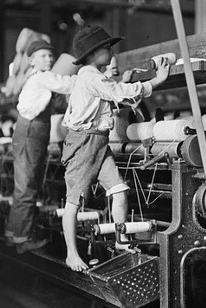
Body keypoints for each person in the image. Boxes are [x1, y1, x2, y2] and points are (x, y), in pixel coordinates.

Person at [61, 25, 170, 272]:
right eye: (106, 49)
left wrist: (126, 84)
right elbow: (119, 92)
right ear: (91, 54)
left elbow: (116, 93)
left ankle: (121, 241)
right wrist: (156, 81)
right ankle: (71, 254)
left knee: (119, 190)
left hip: (99, 141)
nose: (111, 53)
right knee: (74, 201)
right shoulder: (90, 76)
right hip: (84, 143)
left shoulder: (93, 76)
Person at [5, 40, 77, 254]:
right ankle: (23, 239)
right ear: (31, 60)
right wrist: (90, 76)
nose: (49, 59)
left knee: (24, 185)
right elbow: (67, 84)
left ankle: (14, 233)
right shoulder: (42, 77)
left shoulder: (36, 79)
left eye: (50, 56)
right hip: (32, 131)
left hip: (28, 130)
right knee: (28, 185)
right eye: (43, 56)